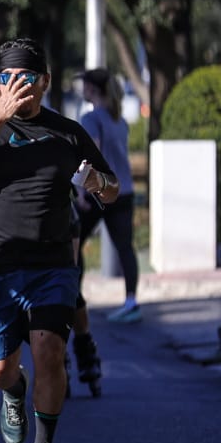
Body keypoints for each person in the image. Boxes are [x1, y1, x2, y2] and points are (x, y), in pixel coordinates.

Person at [0, 39, 117, 443]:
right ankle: (14, 390)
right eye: (7, 79)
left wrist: (97, 183)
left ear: (45, 81)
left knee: (49, 351)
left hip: (52, 264)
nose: (17, 86)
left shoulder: (67, 132)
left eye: (26, 78)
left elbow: (112, 188)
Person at [78, 69, 141, 325]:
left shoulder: (90, 119)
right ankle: (131, 302)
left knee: (73, 242)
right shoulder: (120, 120)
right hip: (124, 191)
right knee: (125, 247)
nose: (81, 90)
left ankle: (74, 301)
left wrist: (80, 192)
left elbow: (90, 156)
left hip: (98, 192)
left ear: (92, 89)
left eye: (84, 85)